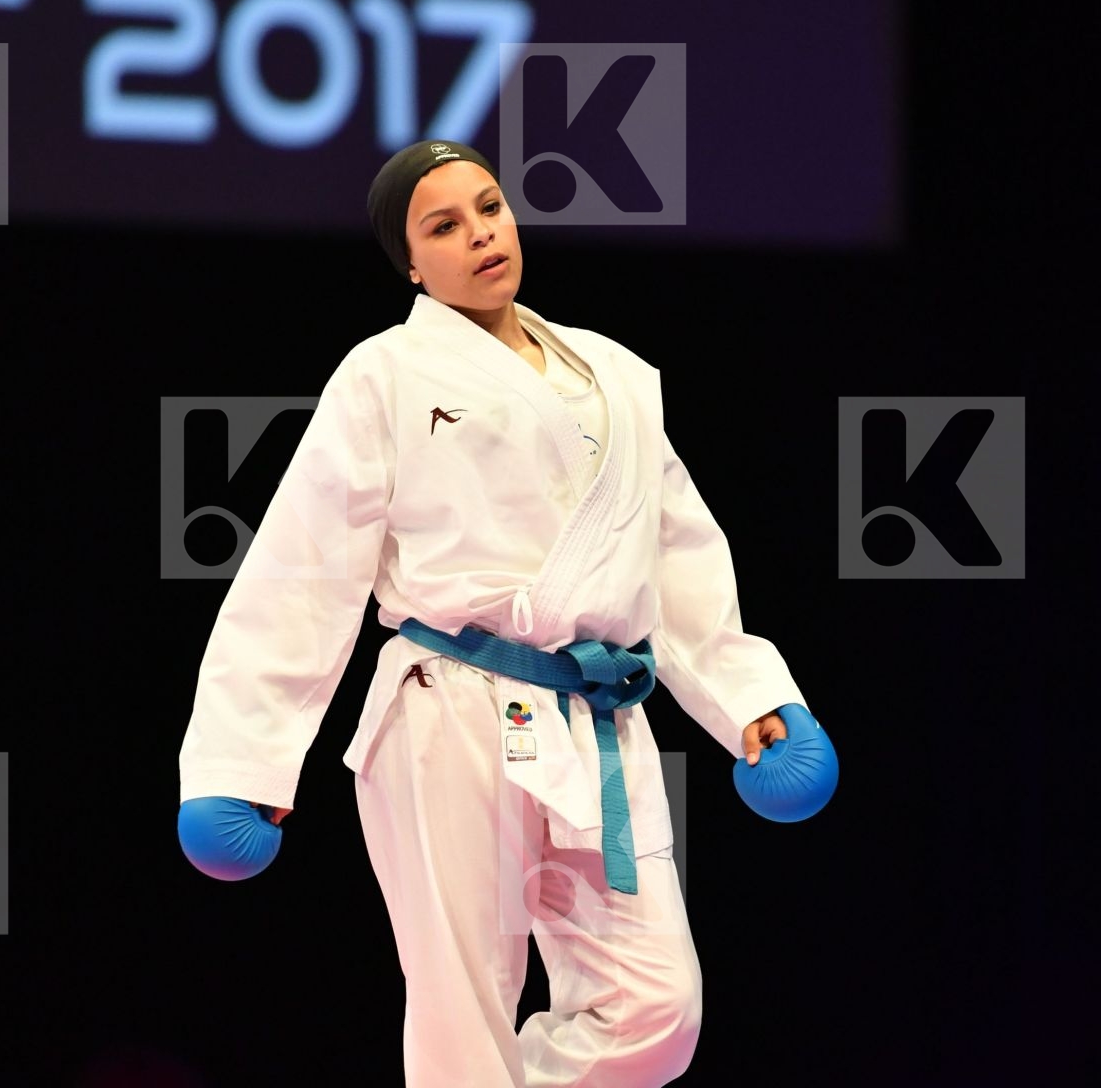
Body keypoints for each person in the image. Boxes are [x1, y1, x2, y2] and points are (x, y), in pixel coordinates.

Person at [177, 138, 809, 1087]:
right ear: (410, 263)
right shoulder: (384, 374)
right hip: (449, 707)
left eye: (490, 208)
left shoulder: (617, 376)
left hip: (592, 716)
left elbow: (672, 554)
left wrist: (748, 696)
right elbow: (306, 566)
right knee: (462, 1014)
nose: (480, 235)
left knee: (659, 1009)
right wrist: (246, 756)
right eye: (444, 226)